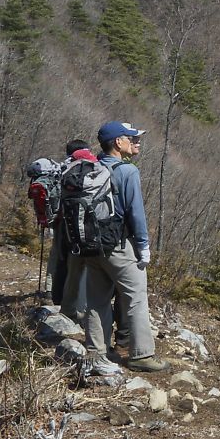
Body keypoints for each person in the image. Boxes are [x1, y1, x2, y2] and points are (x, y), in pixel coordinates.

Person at [72, 121, 169, 375]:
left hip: (91, 246)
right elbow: (135, 213)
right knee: (135, 297)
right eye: (131, 138)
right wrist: (143, 246)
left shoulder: (90, 168)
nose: (136, 142)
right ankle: (142, 355)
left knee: (97, 300)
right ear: (118, 142)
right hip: (118, 245)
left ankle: (97, 353)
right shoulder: (127, 172)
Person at [50, 138, 98, 323]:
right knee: (89, 270)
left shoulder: (64, 170)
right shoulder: (96, 169)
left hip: (65, 226)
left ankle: (63, 304)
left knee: (66, 265)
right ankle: (84, 311)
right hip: (90, 228)